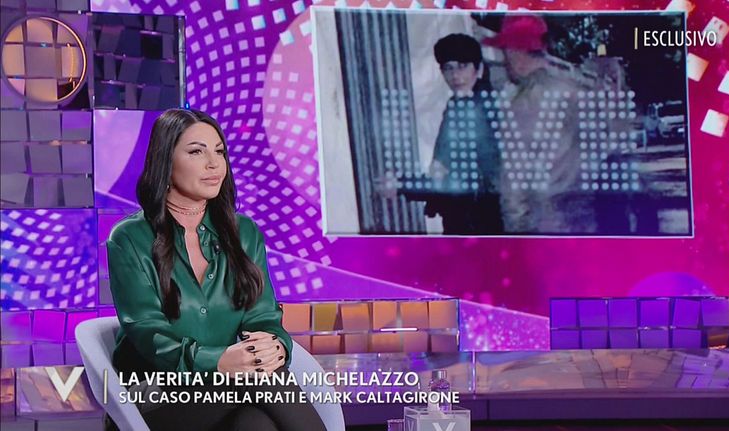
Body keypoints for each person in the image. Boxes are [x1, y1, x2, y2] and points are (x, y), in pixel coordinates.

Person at [106, 109, 326, 430]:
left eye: (219, 152)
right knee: (261, 379)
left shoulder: (243, 233)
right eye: (197, 152)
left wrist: (275, 347)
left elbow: (262, 317)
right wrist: (218, 361)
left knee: (256, 425)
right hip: (154, 395)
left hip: (226, 390)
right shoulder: (129, 238)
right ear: (165, 161)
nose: (214, 164)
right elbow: (148, 333)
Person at [380, 33, 504, 235]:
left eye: (462, 66)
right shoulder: (459, 105)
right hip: (465, 216)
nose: (455, 75)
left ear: (478, 68)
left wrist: (403, 185)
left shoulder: (480, 110)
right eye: (448, 68)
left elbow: (465, 181)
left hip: (479, 220)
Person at [484, 15, 597, 234]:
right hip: (585, 221)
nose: (504, 61)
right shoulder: (574, 92)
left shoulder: (521, 105)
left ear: (515, 52)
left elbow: (515, 186)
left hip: (545, 226)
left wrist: (516, 236)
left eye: (505, 51)